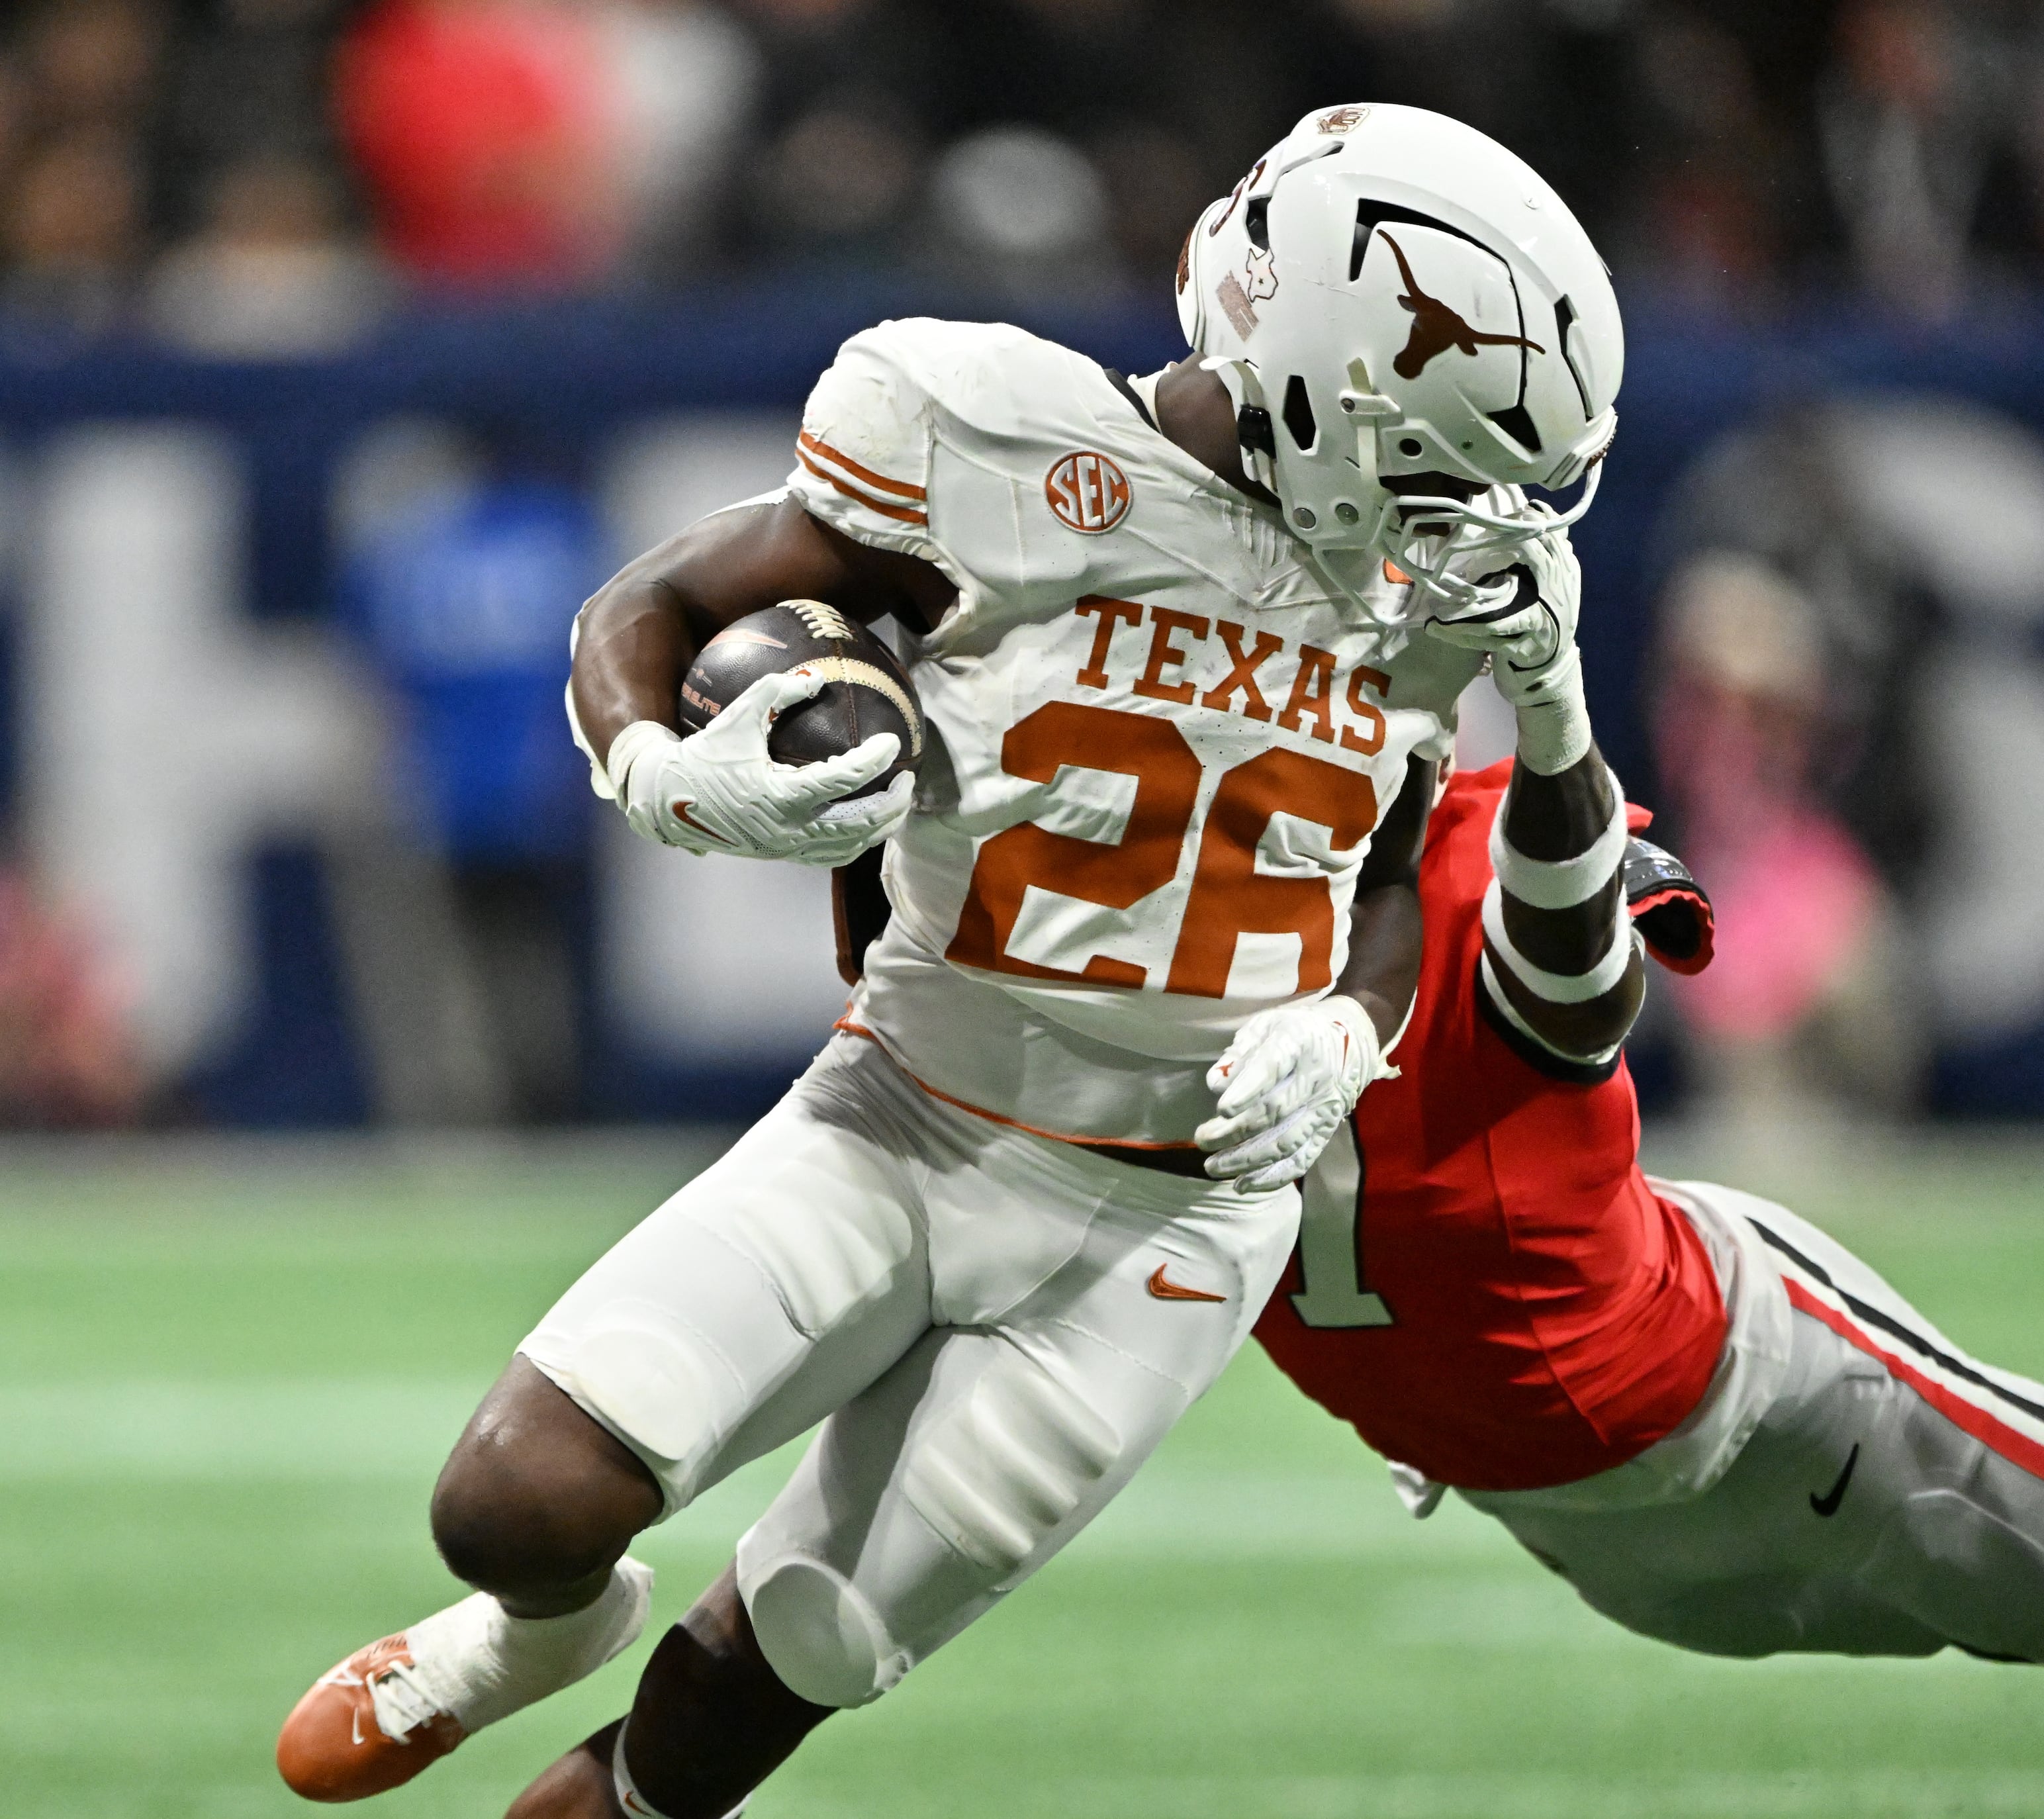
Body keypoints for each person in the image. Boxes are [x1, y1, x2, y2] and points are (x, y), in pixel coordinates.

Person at [275, 101, 1624, 1818]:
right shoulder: (990, 435)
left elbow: (1374, 872)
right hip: (903, 1107)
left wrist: (1353, 1027)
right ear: (1325, 383)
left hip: (1167, 1225)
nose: (1469, 519)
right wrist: (661, 768)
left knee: (766, 1683)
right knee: (513, 1503)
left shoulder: (1416, 606)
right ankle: (528, 1633)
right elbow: (659, 604)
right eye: (1441, 461)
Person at [1252, 712, 2044, 1742]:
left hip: (1769, 1396)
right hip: (1583, 1529)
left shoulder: (1496, 855)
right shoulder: (1135, 965)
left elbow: (1579, 985)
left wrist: (1549, 715)